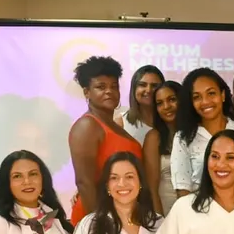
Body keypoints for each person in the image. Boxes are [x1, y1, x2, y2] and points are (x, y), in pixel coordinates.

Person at [67, 56, 147, 223]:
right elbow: (84, 182)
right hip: (99, 219)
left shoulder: (115, 125)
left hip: (123, 215)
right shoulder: (87, 125)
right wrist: (100, 226)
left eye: (114, 86)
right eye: (100, 87)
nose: (109, 91)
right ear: (87, 92)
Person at [170, 67, 234, 198]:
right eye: (197, 97)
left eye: (211, 93)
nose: (205, 102)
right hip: (198, 213)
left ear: (222, 95)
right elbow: (182, 189)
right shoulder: (183, 138)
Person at [143, 80, 182, 216]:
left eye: (172, 100)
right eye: (159, 103)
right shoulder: (154, 138)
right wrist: (159, 223)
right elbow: (152, 189)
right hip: (166, 214)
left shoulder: (197, 133)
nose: (166, 106)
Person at [117, 65, 164, 145]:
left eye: (154, 86)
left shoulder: (171, 121)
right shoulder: (121, 122)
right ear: (134, 89)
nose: (148, 90)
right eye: (142, 85)